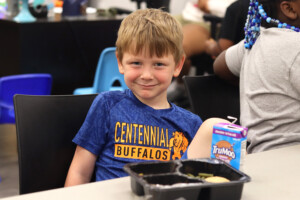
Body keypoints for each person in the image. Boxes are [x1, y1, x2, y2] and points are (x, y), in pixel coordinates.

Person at [64, 8, 224, 186]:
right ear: (120, 62)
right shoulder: (107, 105)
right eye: (136, 63)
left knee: (213, 126)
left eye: (158, 64)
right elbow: (79, 172)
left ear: (178, 65)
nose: (147, 75)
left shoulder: (191, 124)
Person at [213, 0, 300, 153]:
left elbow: (220, 65)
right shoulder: (296, 46)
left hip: (259, 155)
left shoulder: (255, 41)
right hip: (290, 159)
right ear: (289, 9)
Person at [168, 0, 240, 106]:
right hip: (185, 15)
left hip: (206, 23)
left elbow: (235, 8)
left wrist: (209, 5)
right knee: (148, 37)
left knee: (174, 47)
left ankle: (179, 87)